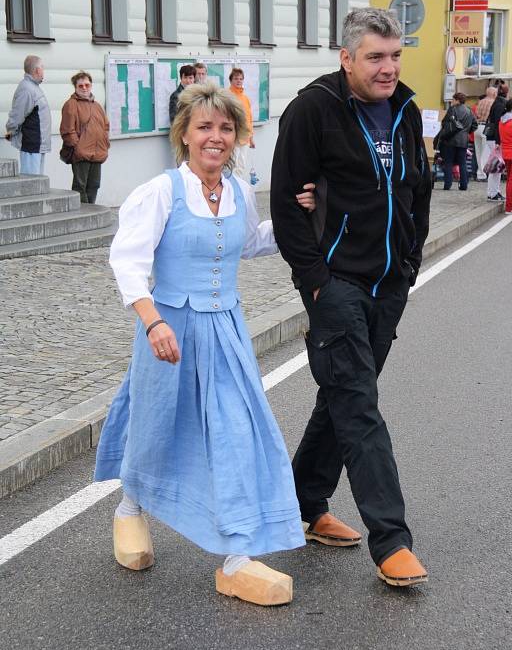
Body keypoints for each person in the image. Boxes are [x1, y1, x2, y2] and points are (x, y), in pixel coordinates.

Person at [94, 83, 316, 607]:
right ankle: (129, 509)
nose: (215, 138)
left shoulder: (238, 189)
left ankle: (236, 558)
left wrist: (295, 216)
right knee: (155, 425)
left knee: (237, 432)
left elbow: (252, 243)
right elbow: (127, 262)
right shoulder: (162, 192)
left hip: (225, 330)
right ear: (185, 136)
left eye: (225, 129)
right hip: (168, 329)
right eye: (204, 128)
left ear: (236, 137)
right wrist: (152, 323)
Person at [270, 7, 432, 588]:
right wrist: (315, 279)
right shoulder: (313, 109)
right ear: (346, 58)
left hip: (389, 283)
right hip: (336, 283)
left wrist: (410, 263)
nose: (388, 68)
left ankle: (304, 504)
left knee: (340, 396)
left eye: (394, 56)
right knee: (359, 403)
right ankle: (392, 540)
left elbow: (420, 189)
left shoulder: (407, 109)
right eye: (375, 58)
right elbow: (288, 202)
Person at [59, 71, 110, 204]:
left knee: (94, 185)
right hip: (81, 154)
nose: (84, 88)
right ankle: (81, 214)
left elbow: (105, 126)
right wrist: (77, 146)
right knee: (80, 186)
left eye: (87, 85)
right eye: (80, 86)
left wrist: (105, 144)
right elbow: (67, 130)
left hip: (98, 152)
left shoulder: (97, 106)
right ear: (75, 87)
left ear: (91, 85)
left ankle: (91, 211)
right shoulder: (71, 104)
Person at [5, 55, 51, 175]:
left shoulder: (33, 87)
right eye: (42, 68)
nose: (43, 71)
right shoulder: (27, 89)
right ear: (37, 70)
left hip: (37, 145)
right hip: (31, 145)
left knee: (38, 184)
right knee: (30, 185)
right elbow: (17, 115)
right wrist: (10, 131)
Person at [439, 93, 477, 192]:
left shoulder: (452, 109)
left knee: (448, 162)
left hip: (450, 140)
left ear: (457, 100)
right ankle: (464, 185)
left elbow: (444, 123)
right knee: (462, 163)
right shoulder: (469, 111)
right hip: (463, 140)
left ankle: (447, 184)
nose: (452, 101)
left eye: (453, 99)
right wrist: (466, 132)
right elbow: (475, 125)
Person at [228, 68, 254, 181]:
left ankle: (238, 187)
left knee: (241, 165)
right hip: (234, 136)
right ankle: (230, 187)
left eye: (241, 79)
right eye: (236, 79)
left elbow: (249, 119)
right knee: (231, 164)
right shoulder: (227, 96)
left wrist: (251, 137)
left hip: (245, 137)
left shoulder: (245, 98)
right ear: (231, 80)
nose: (238, 81)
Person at [484, 84, 509, 201]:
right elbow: (500, 124)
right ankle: (493, 193)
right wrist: (499, 141)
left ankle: (494, 191)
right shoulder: (500, 104)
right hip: (495, 139)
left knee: (497, 166)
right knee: (496, 166)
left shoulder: (497, 103)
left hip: (493, 137)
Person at [474, 87, 497, 181]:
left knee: (478, 152)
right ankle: (483, 173)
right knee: (485, 152)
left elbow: (476, 113)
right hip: (486, 127)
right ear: (493, 93)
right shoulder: (493, 102)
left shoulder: (481, 101)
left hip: (478, 126)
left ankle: (480, 174)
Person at [498, 98, 512, 215]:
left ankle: (509, 206)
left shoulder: (502, 120)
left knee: (509, 180)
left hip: (505, 152)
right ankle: (509, 207)